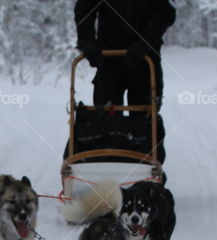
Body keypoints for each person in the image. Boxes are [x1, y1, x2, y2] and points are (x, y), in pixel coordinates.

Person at [75, 0, 176, 164]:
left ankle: (146, 169)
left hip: (146, 58)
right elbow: (84, 8)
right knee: (106, 115)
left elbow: (166, 12)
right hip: (109, 56)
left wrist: (143, 44)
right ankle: (108, 165)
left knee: (146, 116)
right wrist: (86, 42)